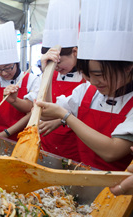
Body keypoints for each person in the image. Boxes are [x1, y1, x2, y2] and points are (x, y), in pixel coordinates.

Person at [36, 0, 133, 171]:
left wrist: (66, 117)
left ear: (127, 67)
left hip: (119, 190)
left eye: (99, 75)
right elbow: (47, 113)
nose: (94, 82)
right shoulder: (86, 91)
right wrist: (48, 73)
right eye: (88, 75)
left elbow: (112, 151)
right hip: (82, 177)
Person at [36, 0, 84, 161]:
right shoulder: (52, 73)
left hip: (74, 146)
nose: (55, 68)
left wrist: (61, 120)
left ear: (75, 52)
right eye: (51, 63)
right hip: (48, 142)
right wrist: (46, 74)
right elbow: (45, 108)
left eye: (59, 62)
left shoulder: (89, 80)